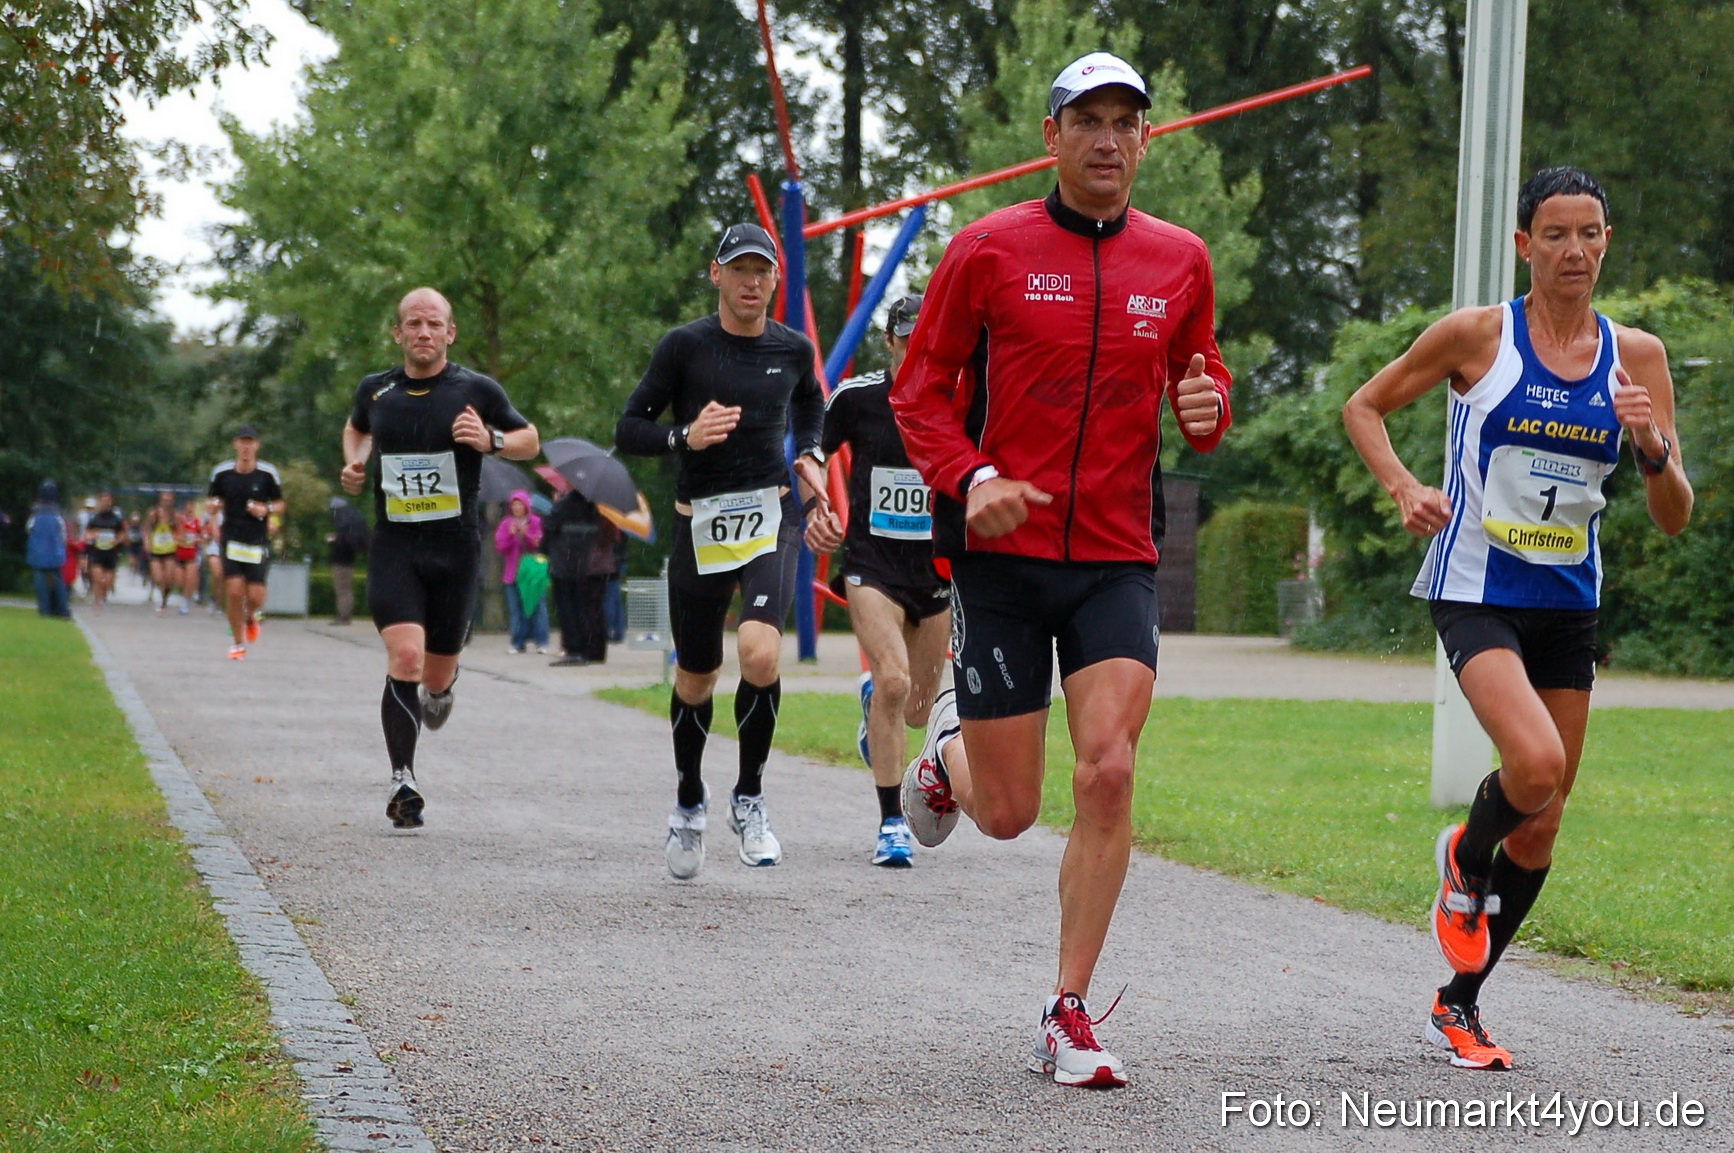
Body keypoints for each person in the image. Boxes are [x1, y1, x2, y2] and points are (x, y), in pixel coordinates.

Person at [890, 52, 1232, 1088]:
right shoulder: (988, 250)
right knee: (1007, 814)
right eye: (1088, 119)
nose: (1108, 139)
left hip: (1117, 556)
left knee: (1112, 767)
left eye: (1128, 121)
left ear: (1146, 141)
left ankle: (1067, 1009)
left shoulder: (1180, 259)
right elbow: (921, 392)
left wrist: (1209, 407)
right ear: (1052, 136)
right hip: (1002, 556)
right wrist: (974, 471)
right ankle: (945, 759)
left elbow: (1199, 375)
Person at [1342, 167, 1692, 1071]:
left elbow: (1675, 513)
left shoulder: (1637, 357)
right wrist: (1405, 485)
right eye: (1556, 233)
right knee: (1535, 765)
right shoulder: (1478, 337)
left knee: (1542, 818)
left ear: (1607, 241)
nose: (1575, 250)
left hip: (1569, 603)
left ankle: (1459, 1004)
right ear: (1524, 244)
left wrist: (1652, 447)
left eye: (1591, 233)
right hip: (1477, 587)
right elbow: (1365, 406)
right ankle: (1464, 855)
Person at [615, 222, 830, 879]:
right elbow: (629, 428)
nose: (751, 281)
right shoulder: (684, 347)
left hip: (771, 518)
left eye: (761, 270)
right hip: (699, 523)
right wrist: (685, 436)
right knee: (696, 675)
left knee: (760, 652)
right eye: (739, 269)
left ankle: (751, 795)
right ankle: (689, 800)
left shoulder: (792, 349)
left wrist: (812, 457)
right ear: (716, 274)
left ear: (775, 280)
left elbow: (812, 405)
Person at [341, 286, 538, 829]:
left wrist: (490, 439)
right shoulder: (376, 391)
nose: (423, 333)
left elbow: (530, 439)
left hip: (455, 547)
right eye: (413, 324)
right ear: (398, 333)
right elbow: (356, 428)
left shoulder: (476, 389)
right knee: (404, 657)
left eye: (434, 324)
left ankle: (442, 689)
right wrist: (355, 463)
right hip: (396, 544)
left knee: (435, 673)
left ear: (450, 333)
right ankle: (403, 779)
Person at [805, 294, 949, 868]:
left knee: (917, 709)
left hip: (934, 572)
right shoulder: (859, 397)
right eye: (908, 339)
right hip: (872, 566)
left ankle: (874, 709)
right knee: (892, 680)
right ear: (889, 342)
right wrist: (816, 505)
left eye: (928, 338)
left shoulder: (958, 399)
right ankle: (892, 824)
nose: (918, 349)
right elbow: (812, 450)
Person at [209, 426, 286, 659]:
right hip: (232, 538)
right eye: (242, 442)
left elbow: (280, 505)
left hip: (257, 540)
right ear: (235, 445)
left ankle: (251, 617)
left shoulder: (267, 474)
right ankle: (237, 643)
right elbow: (214, 502)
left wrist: (267, 509)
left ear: (257, 446)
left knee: (255, 596)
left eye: (250, 442)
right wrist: (213, 517)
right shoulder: (222, 473)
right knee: (233, 592)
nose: (246, 447)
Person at [545, 490, 618, 666]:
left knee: (570, 607)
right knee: (593, 608)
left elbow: (550, 527)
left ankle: (575, 648)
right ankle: (594, 649)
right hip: (595, 565)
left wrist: (557, 504)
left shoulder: (568, 503)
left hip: (569, 563)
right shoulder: (602, 505)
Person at [494, 490, 549, 654]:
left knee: (538, 607)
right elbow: (501, 547)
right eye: (514, 504)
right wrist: (511, 536)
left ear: (526, 506)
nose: (517, 507)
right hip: (513, 572)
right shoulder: (506, 524)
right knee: (516, 608)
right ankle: (518, 642)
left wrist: (527, 535)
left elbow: (540, 545)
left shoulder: (536, 522)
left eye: (520, 504)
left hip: (533, 572)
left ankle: (542, 641)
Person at [25, 481, 71, 619]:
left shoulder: (35, 512)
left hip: (38, 549)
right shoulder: (57, 512)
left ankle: (44, 610)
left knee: (40, 579)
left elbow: (29, 528)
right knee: (58, 580)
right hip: (55, 550)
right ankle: (62, 610)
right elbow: (63, 532)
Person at [327, 496, 370, 625]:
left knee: (343, 589)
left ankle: (344, 616)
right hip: (349, 559)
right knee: (346, 589)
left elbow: (343, 541)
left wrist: (334, 541)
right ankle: (345, 614)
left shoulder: (343, 523)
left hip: (341, 560)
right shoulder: (354, 520)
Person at [84, 491, 128, 612]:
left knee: (107, 582)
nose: (106, 503)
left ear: (111, 503)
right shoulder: (94, 518)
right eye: (103, 501)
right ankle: (97, 603)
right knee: (98, 579)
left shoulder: (117, 519)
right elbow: (87, 534)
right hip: (97, 552)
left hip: (111, 553)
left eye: (108, 501)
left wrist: (117, 540)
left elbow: (123, 534)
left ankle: (104, 595)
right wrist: (93, 535)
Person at [143, 489, 180, 616]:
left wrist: (178, 539)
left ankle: (164, 600)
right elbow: (146, 529)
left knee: (169, 579)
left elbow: (181, 531)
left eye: (169, 500)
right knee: (159, 578)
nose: (167, 502)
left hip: (169, 550)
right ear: (161, 500)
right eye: (165, 499)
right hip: (156, 550)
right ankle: (160, 598)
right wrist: (147, 542)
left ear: (173, 501)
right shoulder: (154, 514)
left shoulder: (175, 515)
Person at [174, 499, 205, 613]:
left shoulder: (197, 522)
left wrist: (198, 539)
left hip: (192, 554)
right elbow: (172, 534)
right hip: (179, 553)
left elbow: (203, 536)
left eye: (191, 507)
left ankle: (185, 603)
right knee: (179, 581)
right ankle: (184, 595)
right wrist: (178, 538)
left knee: (190, 579)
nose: (189, 509)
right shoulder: (179, 521)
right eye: (187, 507)